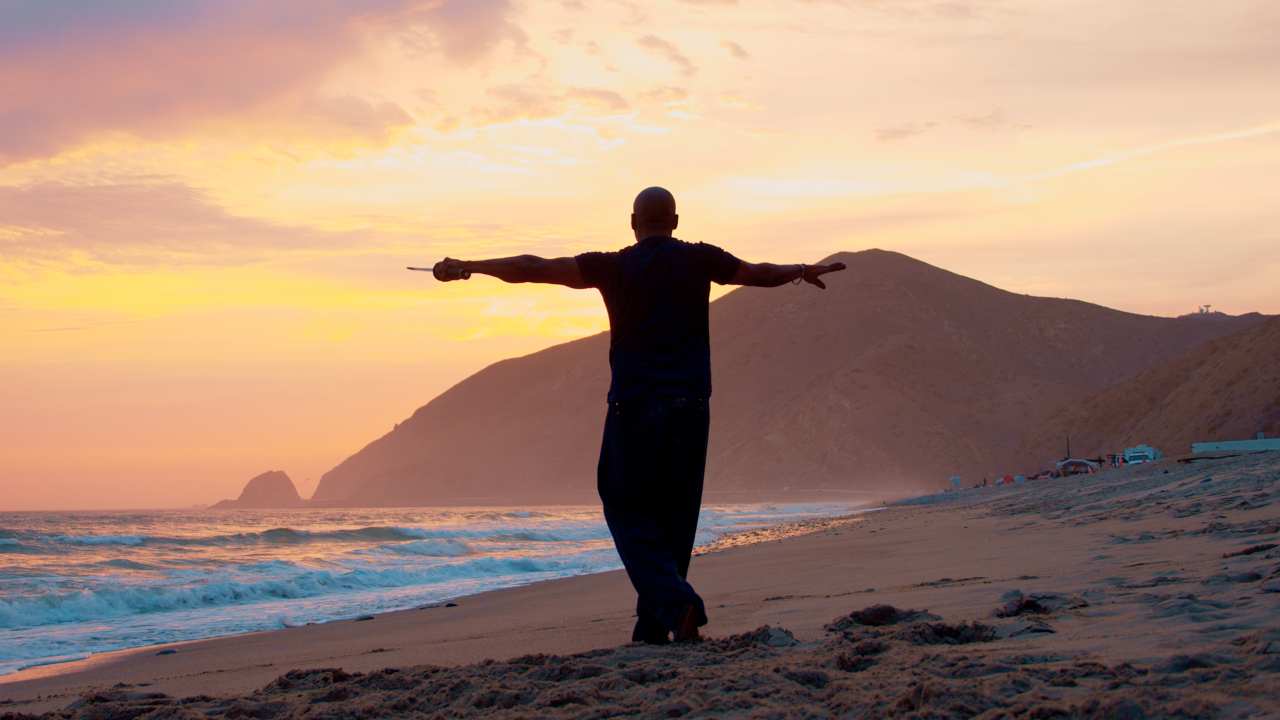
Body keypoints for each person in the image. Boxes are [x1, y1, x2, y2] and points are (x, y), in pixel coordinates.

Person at [430, 187, 845, 644]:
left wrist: (471, 265)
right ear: (676, 221)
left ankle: (674, 605)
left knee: (623, 503)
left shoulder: (613, 265)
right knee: (677, 515)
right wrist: (801, 270)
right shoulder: (701, 258)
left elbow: (534, 267)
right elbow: (758, 273)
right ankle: (654, 625)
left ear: (633, 222)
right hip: (691, 406)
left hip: (634, 405)